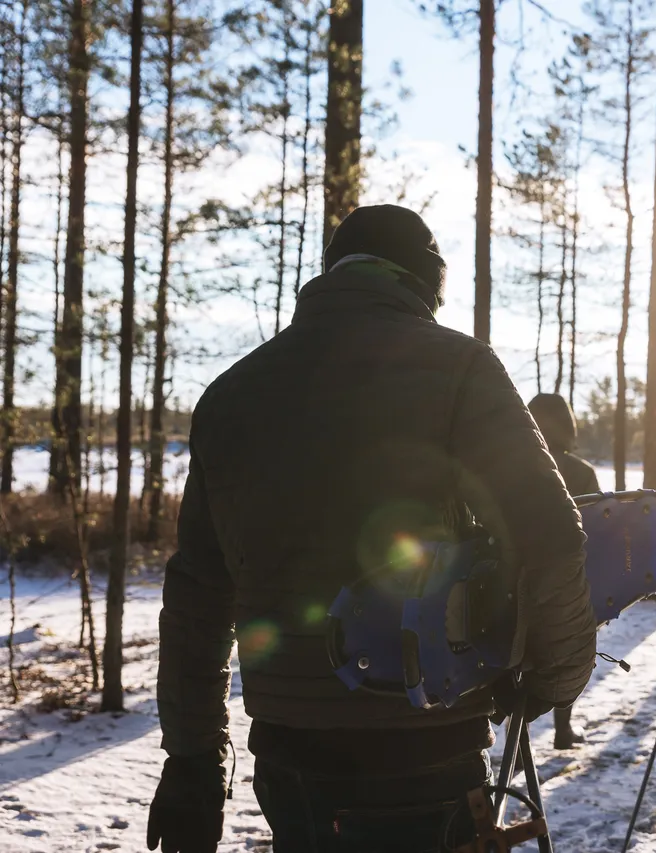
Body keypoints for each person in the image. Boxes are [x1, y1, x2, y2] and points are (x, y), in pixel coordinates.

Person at [146, 205, 597, 853]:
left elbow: (196, 596)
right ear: (426, 280)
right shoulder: (460, 369)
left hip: (288, 753)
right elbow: (552, 533)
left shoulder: (230, 394)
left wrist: (192, 757)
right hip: (425, 748)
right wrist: (556, 678)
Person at [526, 392, 601, 750]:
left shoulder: (511, 468)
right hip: (569, 582)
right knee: (566, 652)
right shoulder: (581, 472)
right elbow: (600, 532)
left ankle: (518, 742)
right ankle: (562, 728)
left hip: (516, 581)